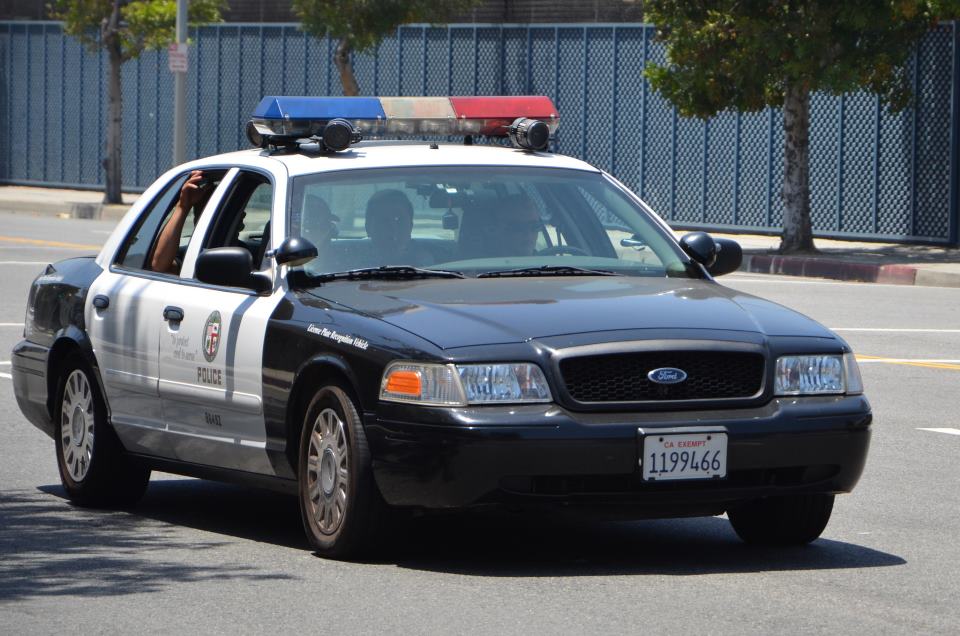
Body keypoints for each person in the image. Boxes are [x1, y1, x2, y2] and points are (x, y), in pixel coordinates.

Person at [150, 169, 215, 274]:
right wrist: (183, 207)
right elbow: (159, 266)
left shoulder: (243, 252)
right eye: (204, 215)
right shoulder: (192, 256)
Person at [363, 189, 431, 266]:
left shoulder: (431, 266)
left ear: (410, 226)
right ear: (368, 228)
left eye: (399, 220)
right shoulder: (353, 264)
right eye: (384, 221)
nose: (393, 229)